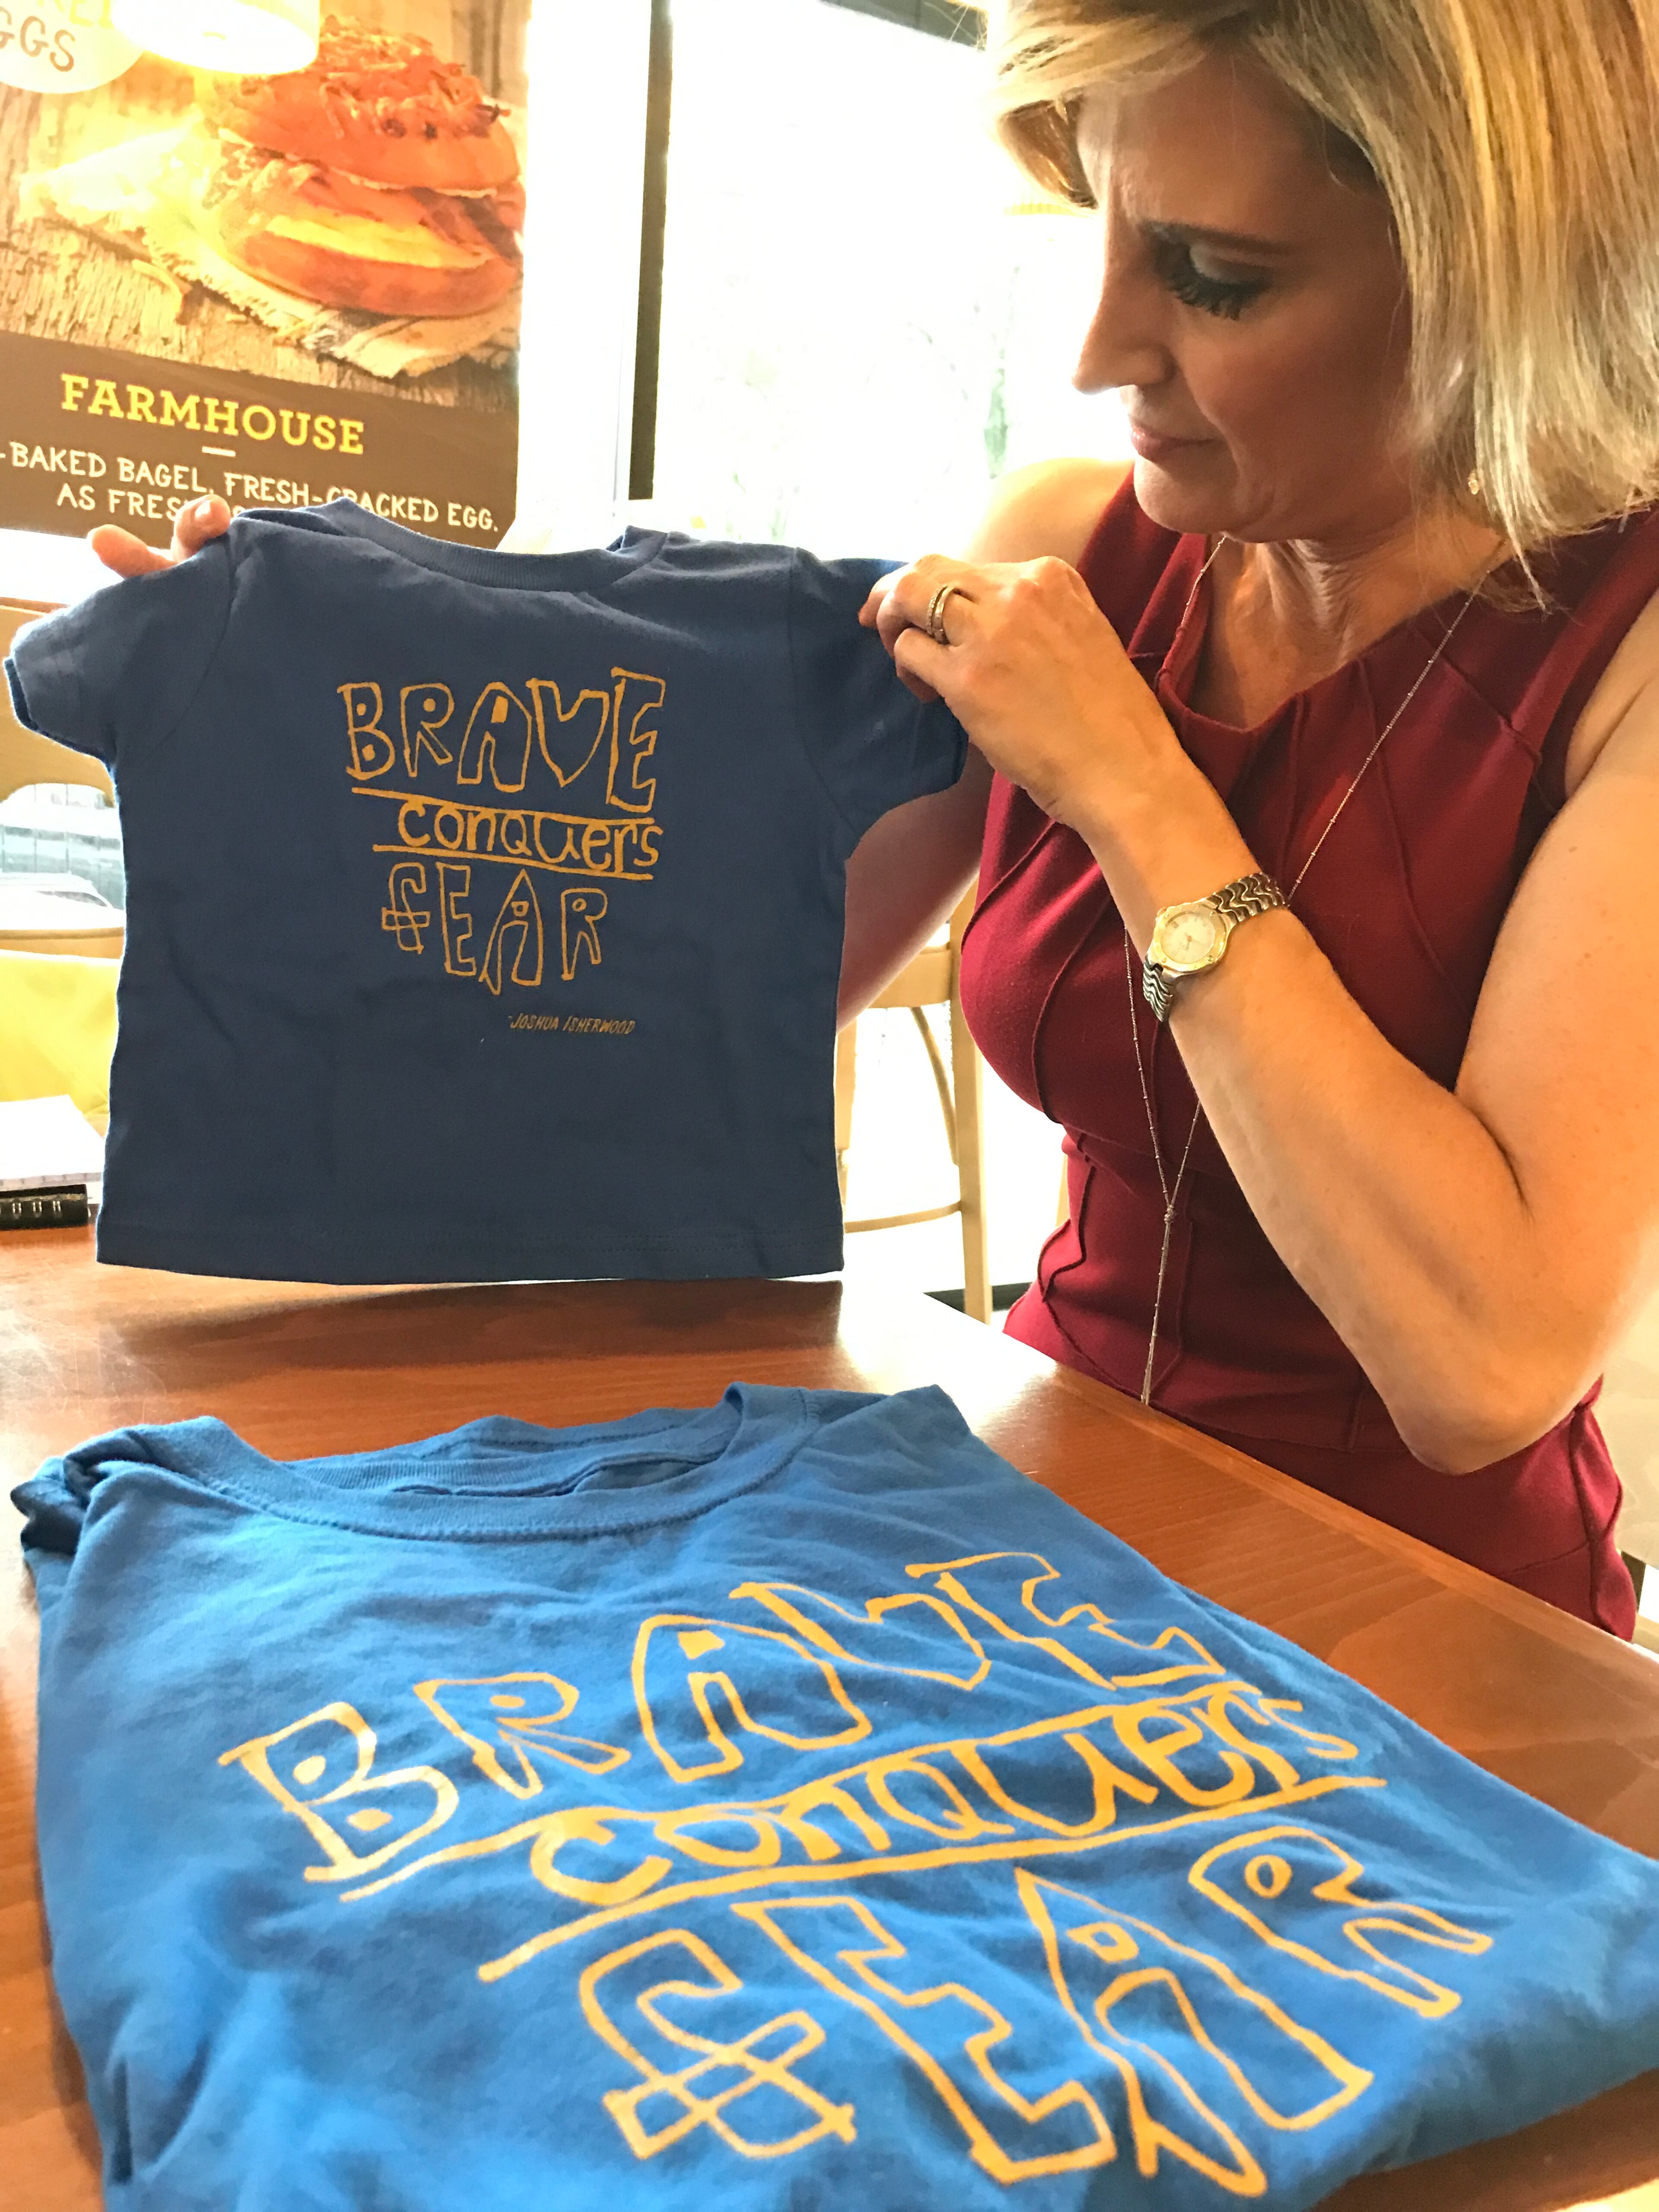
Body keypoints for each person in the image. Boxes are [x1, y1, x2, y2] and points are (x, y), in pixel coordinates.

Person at [94, 0, 1659, 1638]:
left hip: (1446, 1629)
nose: (1093, 353)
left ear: (1494, 282)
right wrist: (308, 699)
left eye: (1212, 278)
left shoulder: (1618, 646)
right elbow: (649, 1026)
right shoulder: (1080, 546)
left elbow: (1482, 1366)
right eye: (1099, 236)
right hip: (1045, 1514)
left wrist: (1135, 786)